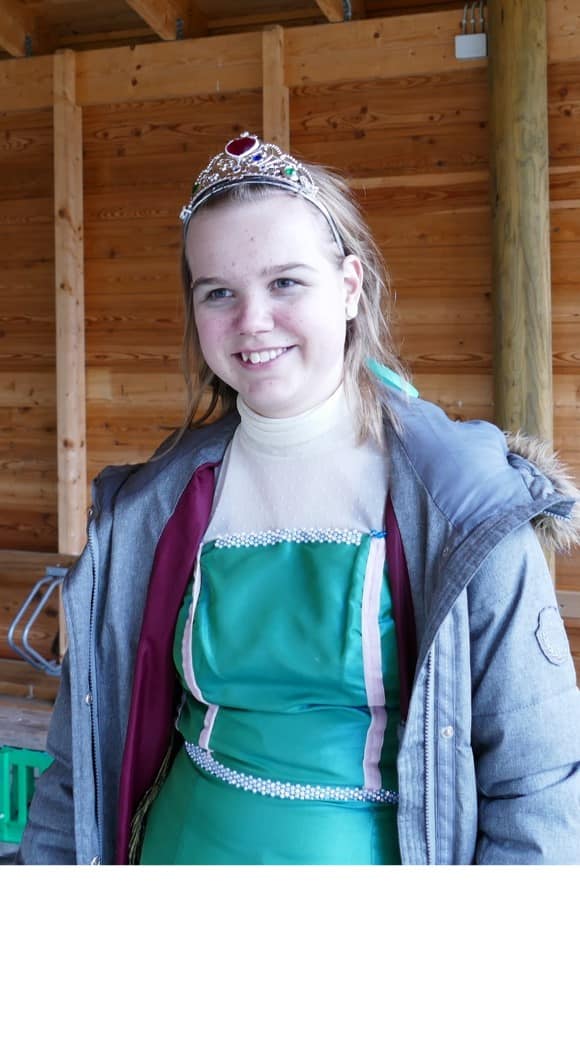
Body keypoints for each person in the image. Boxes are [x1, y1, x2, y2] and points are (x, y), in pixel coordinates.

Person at [19, 132, 580, 865]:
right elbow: (78, 765)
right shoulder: (149, 509)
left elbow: (538, 787)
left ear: (349, 287)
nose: (251, 320)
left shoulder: (464, 504)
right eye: (218, 292)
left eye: (285, 282)